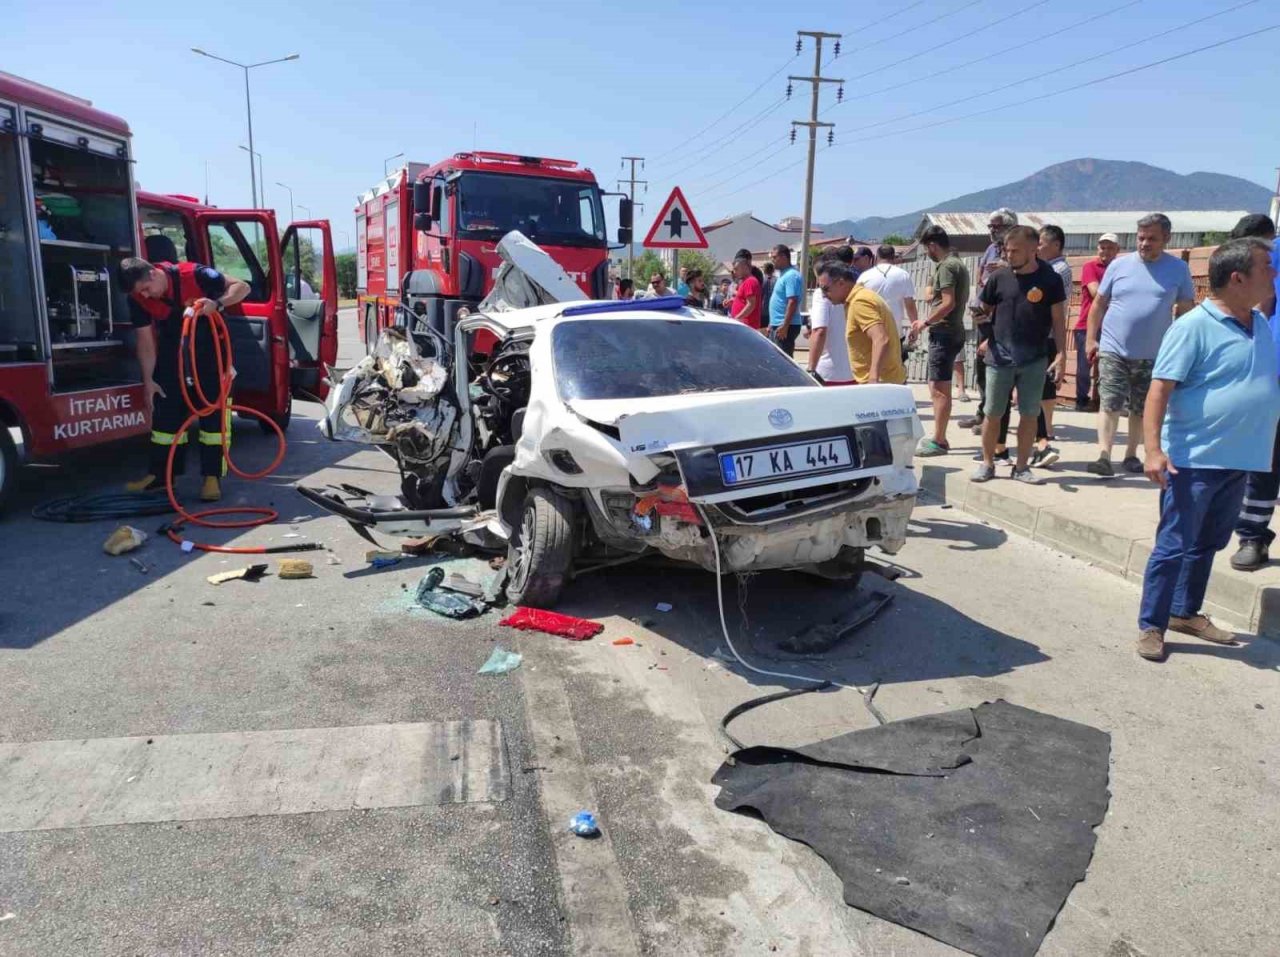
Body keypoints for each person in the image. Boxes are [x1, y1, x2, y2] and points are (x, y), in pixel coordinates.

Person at [1135, 237, 1279, 661]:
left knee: (1209, 543)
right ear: (1238, 277)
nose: (1274, 273)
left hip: (1240, 458)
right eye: (1266, 267)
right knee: (1175, 544)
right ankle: (1151, 625)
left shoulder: (1261, 324)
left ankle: (1184, 612)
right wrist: (1153, 450)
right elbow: (1159, 390)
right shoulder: (1193, 326)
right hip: (1194, 459)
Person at [119, 256, 251, 502]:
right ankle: (160, 478)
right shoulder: (138, 298)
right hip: (172, 359)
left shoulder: (197, 275)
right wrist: (149, 381)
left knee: (213, 419)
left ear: (154, 274)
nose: (145, 296)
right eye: (141, 293)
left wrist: (217, 303)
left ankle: (212, 478)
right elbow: (145, 342)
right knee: (165, 422)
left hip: (210, 357)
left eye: (146, 289)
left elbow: (243, 287)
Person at [1085, 213, 1196, 477]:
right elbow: (1099, 304)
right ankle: (1104, 455)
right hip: (1113, 347)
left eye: (1152, 238)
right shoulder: (1118, 266)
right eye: (1141, 238)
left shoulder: (1178, 269)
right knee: (1110, 401)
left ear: (1166, 239)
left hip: (1154, 353)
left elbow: (1187, 310)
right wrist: (1091, 338)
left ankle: (1132, 454)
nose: (1145, 243)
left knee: (1140, 406)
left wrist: (1184, 347)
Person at [971, 226, 1066, 485]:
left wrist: (1061, 353)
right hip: (999, 358)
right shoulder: (999, 278)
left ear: (1033, 249)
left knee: (1029, 413)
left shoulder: (1051, 280)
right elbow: (983, 310)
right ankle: (987, 463)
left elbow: (1058, 320)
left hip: (1034, 358)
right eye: (1007, 250)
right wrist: (984, 328)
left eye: (1015, 251)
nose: (1009, 255)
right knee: (993, 413)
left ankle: (1022, 467)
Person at [1227, 214, 1280, 570]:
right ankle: (1252, 536)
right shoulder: (1273, 253)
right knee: (1265, 458)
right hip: (1274, 375)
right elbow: (1257, 303)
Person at [911, 225, 970, 455]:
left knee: (939, 388)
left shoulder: (947, 267)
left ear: (933, 245)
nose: (927, 252)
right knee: (939, 386)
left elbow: (948, 303)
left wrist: (925, 323)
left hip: (944, 333)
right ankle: (939, 437)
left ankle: (939, 440)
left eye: (927, 248)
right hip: (952, 331)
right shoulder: (956, 264)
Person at [818, 261, 906, 385]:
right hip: (884, 381)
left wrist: (873, 378)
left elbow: (881, 338)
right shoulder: (860, 297)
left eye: (826, 289)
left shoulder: (860, 302)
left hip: (880, 384)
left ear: (841, 283)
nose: (823, 295)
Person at [1074, 233, 1121, 410]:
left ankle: (1105, 401)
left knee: (1109, 365)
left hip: (1112, 326)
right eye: (1102, 247)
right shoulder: (1090, 267)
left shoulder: (1120, 268)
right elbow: (1095, 293)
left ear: (1117, 250)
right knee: (1084, 366)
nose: (1105, 251)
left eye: (1110, 248)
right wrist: (1120, 302)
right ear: (1097, 249)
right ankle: (1082, 400)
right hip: (1087, 324)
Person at [858, 244, 918, 362]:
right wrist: (915, 328)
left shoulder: (865, 276)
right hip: (894, 332)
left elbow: (857, 304)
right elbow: (910, 305)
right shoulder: (903, 275)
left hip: (869, 331)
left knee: (870, 369)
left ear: (876, 257)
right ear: (893, 257)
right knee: (894, 372)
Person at [807, 247, 855, 385]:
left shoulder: (821, 294)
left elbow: (819, 331)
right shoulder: (853, 291)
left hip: (828, 373)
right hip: (855, 371)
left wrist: (811, 369)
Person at [767, 244, 804, 356]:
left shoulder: (791, 275)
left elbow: (792, 301)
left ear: (783, 257)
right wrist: (771, 323)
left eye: (774, 257)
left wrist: (785, 325)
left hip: (785, 325)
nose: (772, 260)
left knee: (783, 361)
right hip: (777, 324)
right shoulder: (783, 275)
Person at [728, 253, 763, 330]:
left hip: (747, 326)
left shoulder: (750, 281)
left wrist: (737, 318)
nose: (734, 272)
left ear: (744, 267)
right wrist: (733, 302)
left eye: (736, 269)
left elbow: (751, 305)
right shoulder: (746, 281)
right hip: (744, 326)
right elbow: (745, 301)